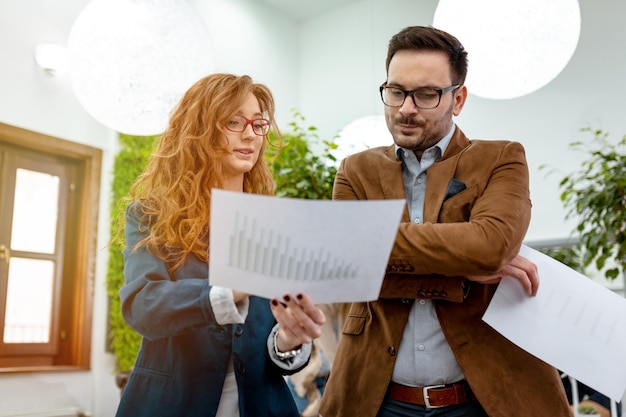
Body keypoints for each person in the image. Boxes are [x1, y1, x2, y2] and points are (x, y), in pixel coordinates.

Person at [319, 26, 571, 417]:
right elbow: (346, 264)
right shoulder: (356, 171)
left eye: (426, 94)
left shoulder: (501, 158)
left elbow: (490, 245)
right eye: (396, 91)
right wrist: (462, 273)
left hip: (482, 399)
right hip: (376, 400)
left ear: (458, 99)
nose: (406, 107)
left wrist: (378, 248)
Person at [114, 73, 325, 417]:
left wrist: (288, 339)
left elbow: (277, 348)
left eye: (259, 124)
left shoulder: (274, 224)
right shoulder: (151, 214)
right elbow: (142, 306)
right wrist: (230, 289)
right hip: (171, 404)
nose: (249, 135)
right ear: (198, 130)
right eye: (233, 121)